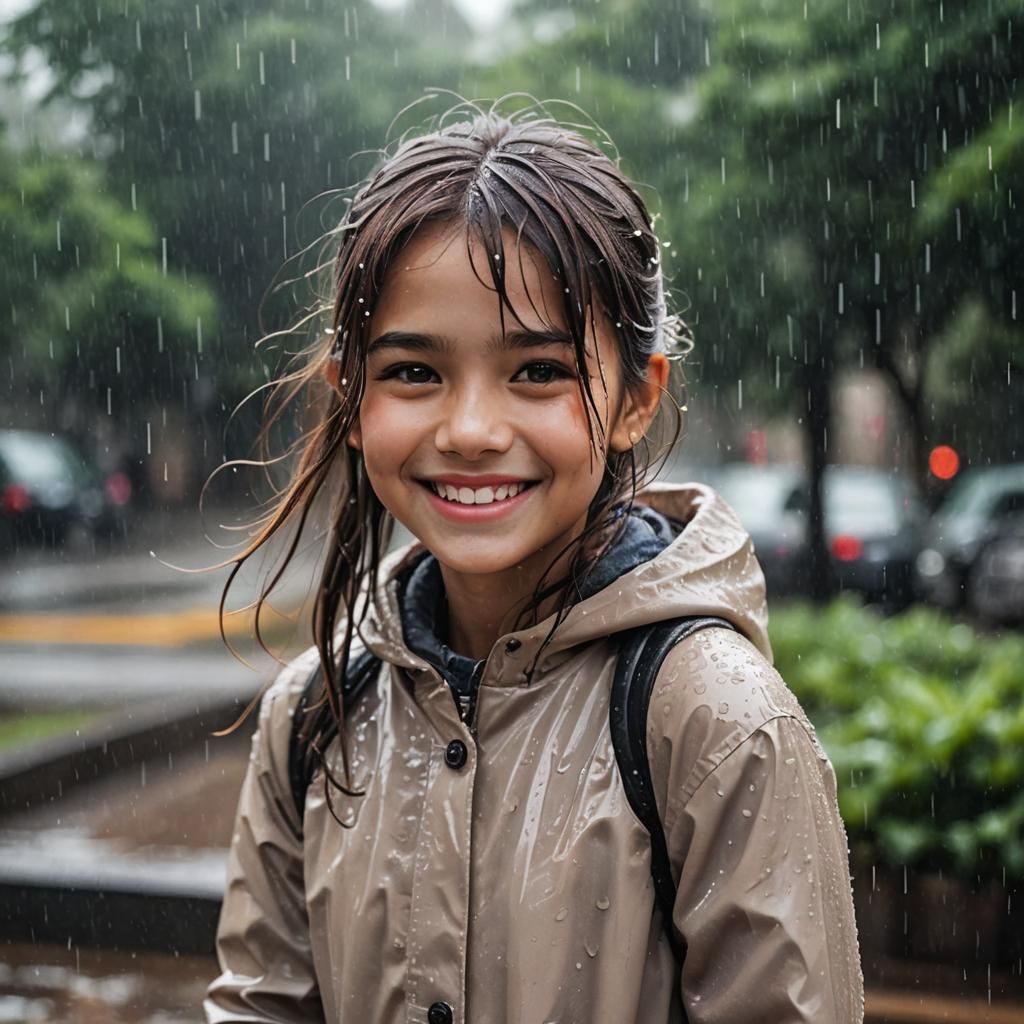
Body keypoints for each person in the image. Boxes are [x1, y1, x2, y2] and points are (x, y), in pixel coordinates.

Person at [204, 102, 863, 1024]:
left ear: (637, 396)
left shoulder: (714, 723)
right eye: (414, 373)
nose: (471, 430)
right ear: (350, 400)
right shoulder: (315, 713)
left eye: (539, 372)